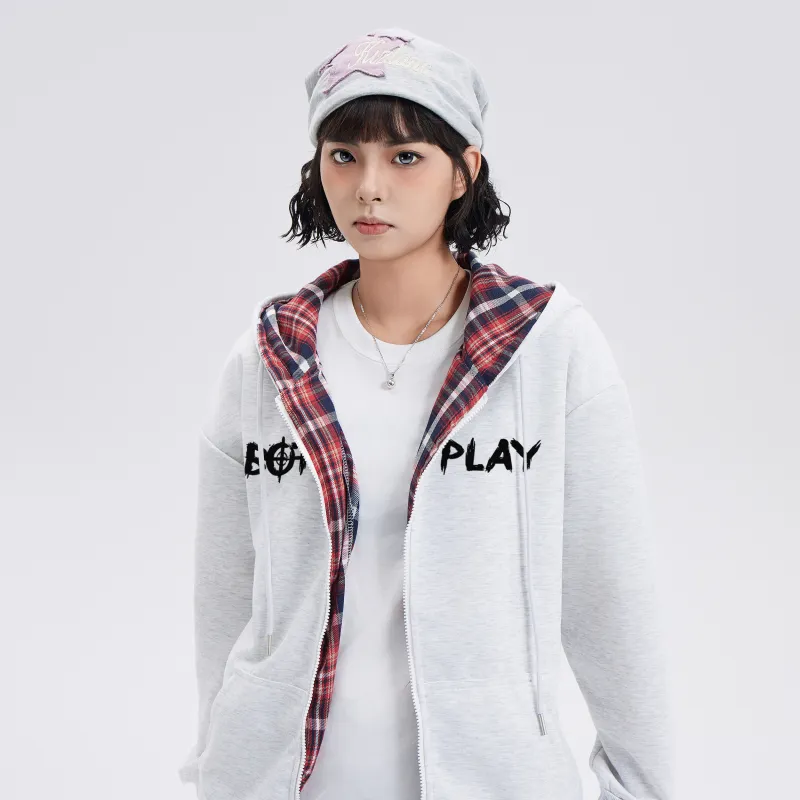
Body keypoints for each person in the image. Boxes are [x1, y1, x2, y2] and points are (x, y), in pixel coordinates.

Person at [178, 27, 675, 800]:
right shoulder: (269, 355)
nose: (369, 186)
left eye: (405, 157)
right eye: (345, 155)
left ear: (463, 171)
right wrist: (218, 771)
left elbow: (612, 600)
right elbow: (225, 606)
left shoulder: (548, 348)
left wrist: (642, 790)